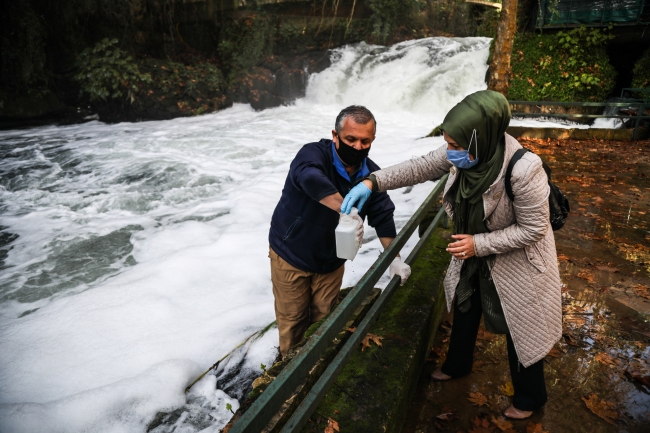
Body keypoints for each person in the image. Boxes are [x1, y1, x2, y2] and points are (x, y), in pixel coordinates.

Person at [341, 91, 562, 419]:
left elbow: (534, 230)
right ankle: (457, 365)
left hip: (517, 261)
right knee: (465, 304)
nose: (450, 152)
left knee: (521, 326)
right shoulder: (466, 151)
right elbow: (420, 167)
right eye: (448, 143)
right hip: (471, 249)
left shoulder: (524, 169)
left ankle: (530, 398)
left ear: (482, 138)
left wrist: (478, 245)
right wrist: (372, 182)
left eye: (456, 146)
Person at [269, 105, 412, 358]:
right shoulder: (312, 154)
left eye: (365, 141)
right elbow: (309, 177)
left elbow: (383, 216)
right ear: (335, 136)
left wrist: (396, 259)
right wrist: (346, 210)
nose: (358, 147)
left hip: (332, 261)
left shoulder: (371, 176)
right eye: (350, 139)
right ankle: (288, 376)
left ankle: (318, 366)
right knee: (293, 321)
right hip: (291, 253)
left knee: (325, 318)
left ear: (372, 140)